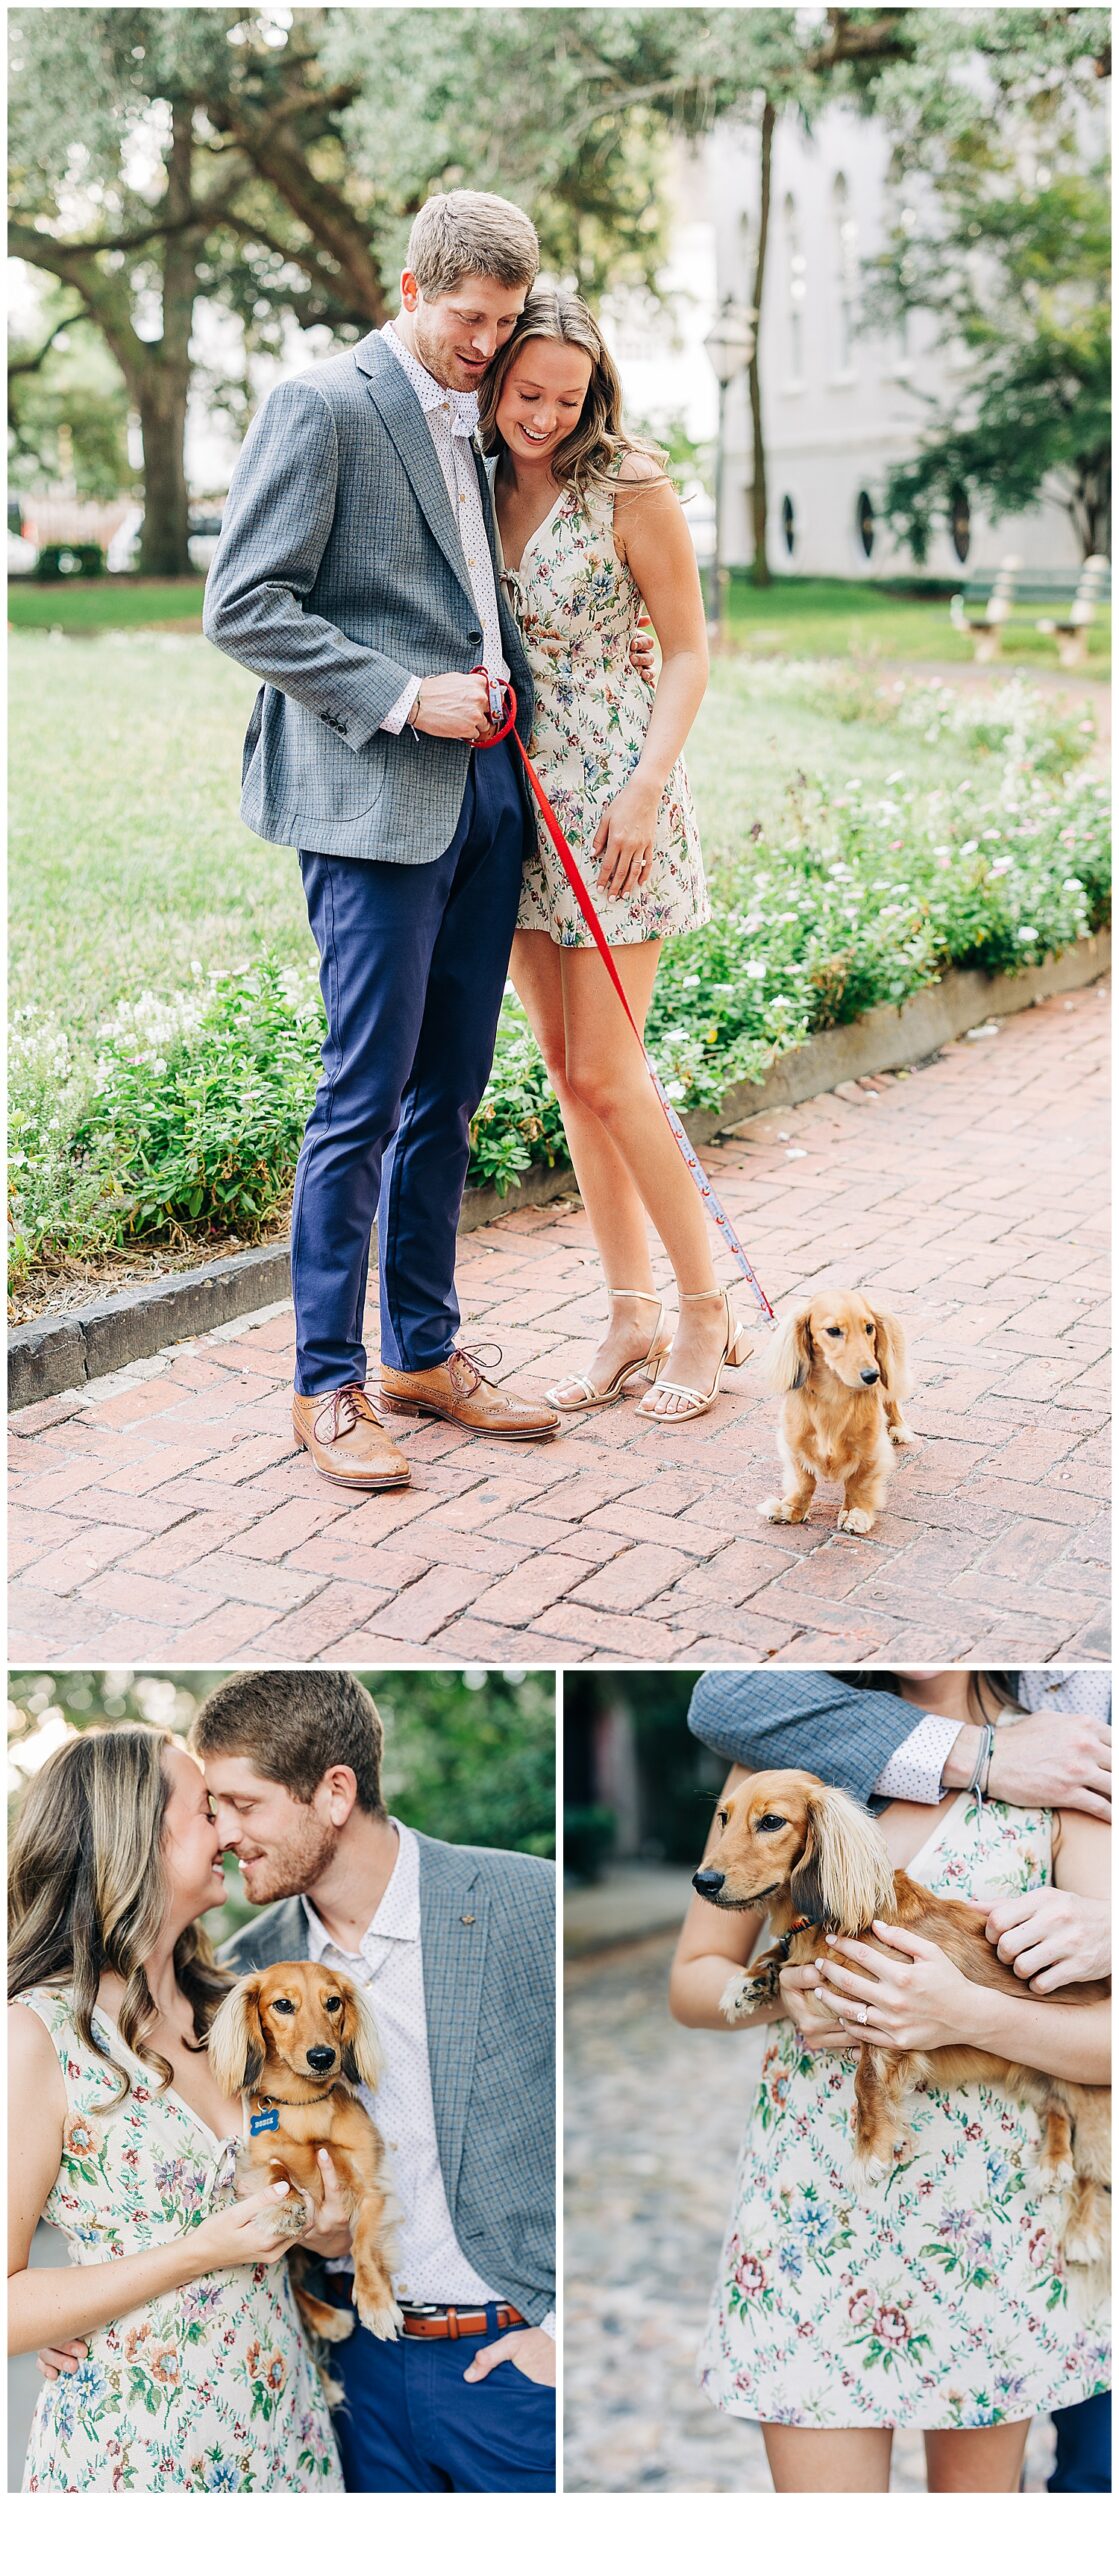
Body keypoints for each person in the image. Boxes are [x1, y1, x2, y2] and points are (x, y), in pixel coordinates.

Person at [203, 190, 560, 1490]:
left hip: (484, 796)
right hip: (371, 795)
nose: (485, 344)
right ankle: (324, 1384)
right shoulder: (324, 404)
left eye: (503, 321)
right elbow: (243, 604)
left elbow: (467, 594)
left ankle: (421, 1351)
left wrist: (505, 701)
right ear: (411, 292)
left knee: (447, 1094)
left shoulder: (477, 418)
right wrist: (410, 699)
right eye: (467, 319)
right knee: (359, 1095)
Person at [677, 1667, 1111, 2494]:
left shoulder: (1062, 1767)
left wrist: (967, 2015)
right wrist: (776, 1995)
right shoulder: (778, 1753)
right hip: (811, 2208)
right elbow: (693, 1979)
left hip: (984, 2224)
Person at [482, 289, 751, 1424]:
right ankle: (629, 1311)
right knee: (564, 1072)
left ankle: (705, 1305)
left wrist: (645, 787)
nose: (545, 417)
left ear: (599, 395)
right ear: (495, 382)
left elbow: (687, 651)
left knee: (610, 1072)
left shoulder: (628, 486)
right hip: (509, 801)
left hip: (613, 805)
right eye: (527, 393)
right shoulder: (470, 477)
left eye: (568, 397)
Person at [196, 1670, 554, 2493]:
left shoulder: (526, 1902)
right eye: (214, 1809)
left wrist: (568, 2334)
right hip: (357, 2383)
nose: (222, 1833)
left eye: (243, 1805)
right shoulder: (245, 1973)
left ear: (333, 1792)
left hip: (516, 2369)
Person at [9, 1726, 344, 2494]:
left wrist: (319, 2226)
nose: (230, 1831)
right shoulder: (39, 2035)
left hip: (282, 2429)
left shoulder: (237, 2010)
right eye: (205, 1810)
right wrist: (197, 2252)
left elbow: (286, 2199)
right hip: (140, 2448)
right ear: (136, 1837)